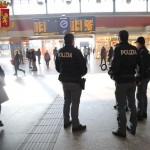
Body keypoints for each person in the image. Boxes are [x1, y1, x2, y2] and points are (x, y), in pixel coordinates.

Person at [108, 30, 143, 138]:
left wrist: (112, 74)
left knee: (121, 106)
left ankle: (121, 130)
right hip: (132, 81)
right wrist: (137, 77)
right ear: (127, 38)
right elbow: (140, 65)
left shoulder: (118, 49)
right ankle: (133, 127)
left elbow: (114, 66)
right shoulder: (134, 49)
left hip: (121, 82)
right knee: (132, 105)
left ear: (119, 38)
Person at [55, 33, 87, 132]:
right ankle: (75, 125)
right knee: (75, 103)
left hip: (64, 81)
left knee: (67, 101)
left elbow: (57, 67)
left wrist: (65, 73)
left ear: (65, 41)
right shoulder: (76, 51)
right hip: (75, 82)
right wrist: (79, 74)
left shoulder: (60, 52)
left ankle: (66, 122)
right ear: (73, 41)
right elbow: (83, 68)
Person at [135, 37, 150, 121]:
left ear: (139, 44)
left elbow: (142, 67)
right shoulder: (146, 52)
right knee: (143, 94)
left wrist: (139, 78)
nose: (136, 45)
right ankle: (144, 112)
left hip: (143, 77)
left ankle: (140, 114)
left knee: (139, 95)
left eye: (137, 43)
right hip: (147, 76)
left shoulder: (142, 53)